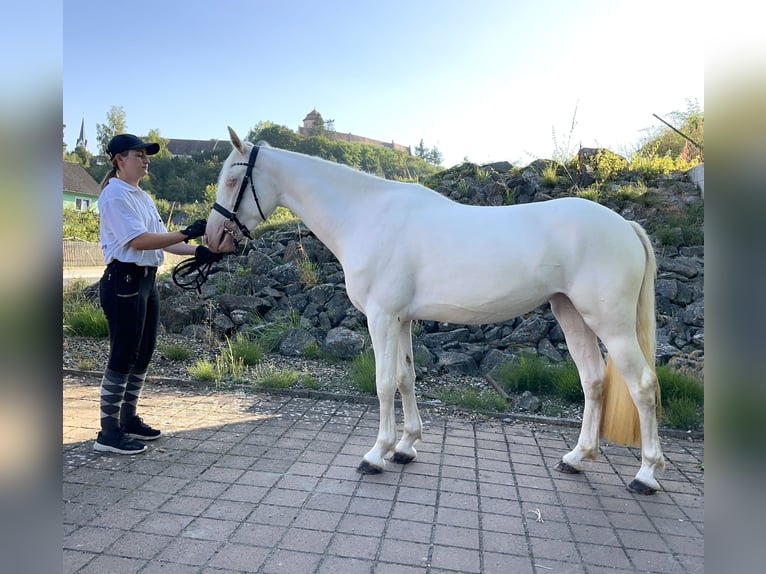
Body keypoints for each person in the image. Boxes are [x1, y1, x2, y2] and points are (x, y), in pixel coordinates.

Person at [94, 133, 223, 454]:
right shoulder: (114, 196)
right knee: (123, 355)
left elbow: (162, 240)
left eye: (146, 155)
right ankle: (108, 433)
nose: (145, 159)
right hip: (124, 280)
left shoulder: (142, 196)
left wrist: (197, 249)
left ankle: (128, 419)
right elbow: (137, 241)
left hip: (145, 282)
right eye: (139, 155)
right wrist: (186, 230)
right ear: (119, 159)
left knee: (143, 353)